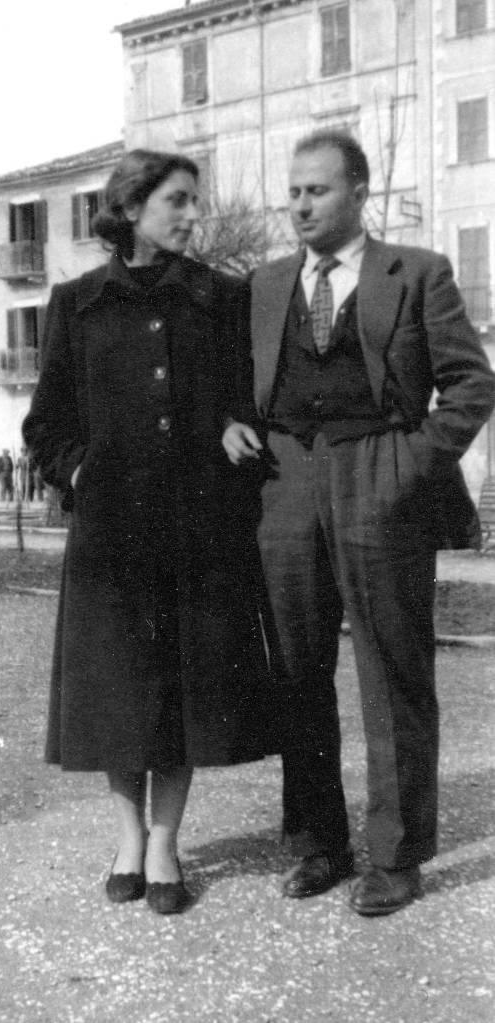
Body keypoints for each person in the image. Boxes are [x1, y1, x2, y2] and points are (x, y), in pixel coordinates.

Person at [223, 129, 495, 916]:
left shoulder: (417, 272)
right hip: (285, 481)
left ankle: (396, 854)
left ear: (359, 191)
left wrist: (410, 462)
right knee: (296, 672)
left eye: (317, 190)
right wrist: (229, 422)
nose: (299, 206)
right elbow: (233, 380)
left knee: (392, 670)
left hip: (380, 473)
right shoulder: (265, 284)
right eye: (292, 192)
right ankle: (319, 842)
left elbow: (471, 385)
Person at [23, 148, 277, 915]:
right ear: (131, 207)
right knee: (118, 690)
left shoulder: (220, 297)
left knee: (181, 691)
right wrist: (77, 471)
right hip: (110, 538)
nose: (193, 215)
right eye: (177, 200)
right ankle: (127, 837)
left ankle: (165, 844)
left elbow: (242, 395)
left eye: (194, 200)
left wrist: (232, 424)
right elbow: (45, 424)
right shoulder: (76, 303)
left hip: (196, 530)